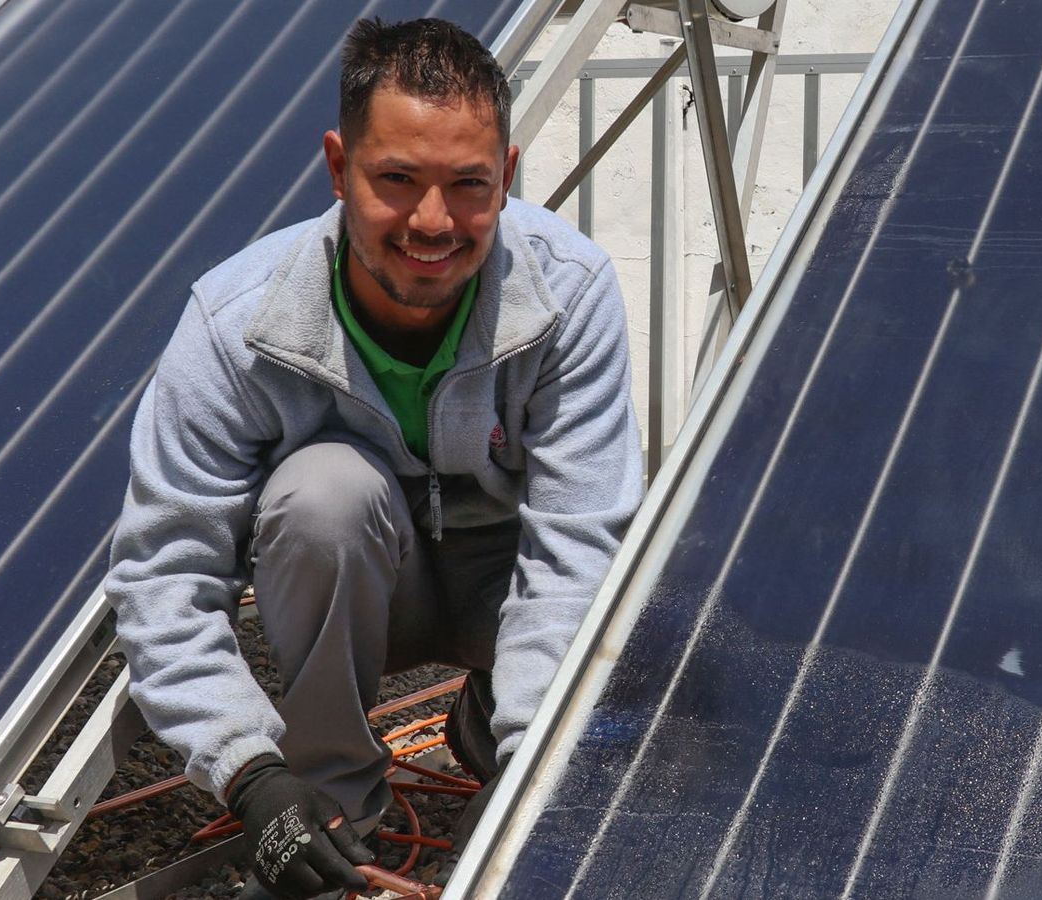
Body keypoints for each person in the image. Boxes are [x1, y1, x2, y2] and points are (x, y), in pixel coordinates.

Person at [105, 17, 643, 899]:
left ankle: (491, 721)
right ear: (337, 167)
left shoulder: (566, 294)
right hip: (357, 591)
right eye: (397, 179)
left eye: (468, 185)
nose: (432, 222)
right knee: (323, 495)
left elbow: (580, 546)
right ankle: (331, 817)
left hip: (501, 594)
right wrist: (250, 774)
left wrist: (533, 767)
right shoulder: (237, 321)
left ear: (506, 178)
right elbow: (162, 575)